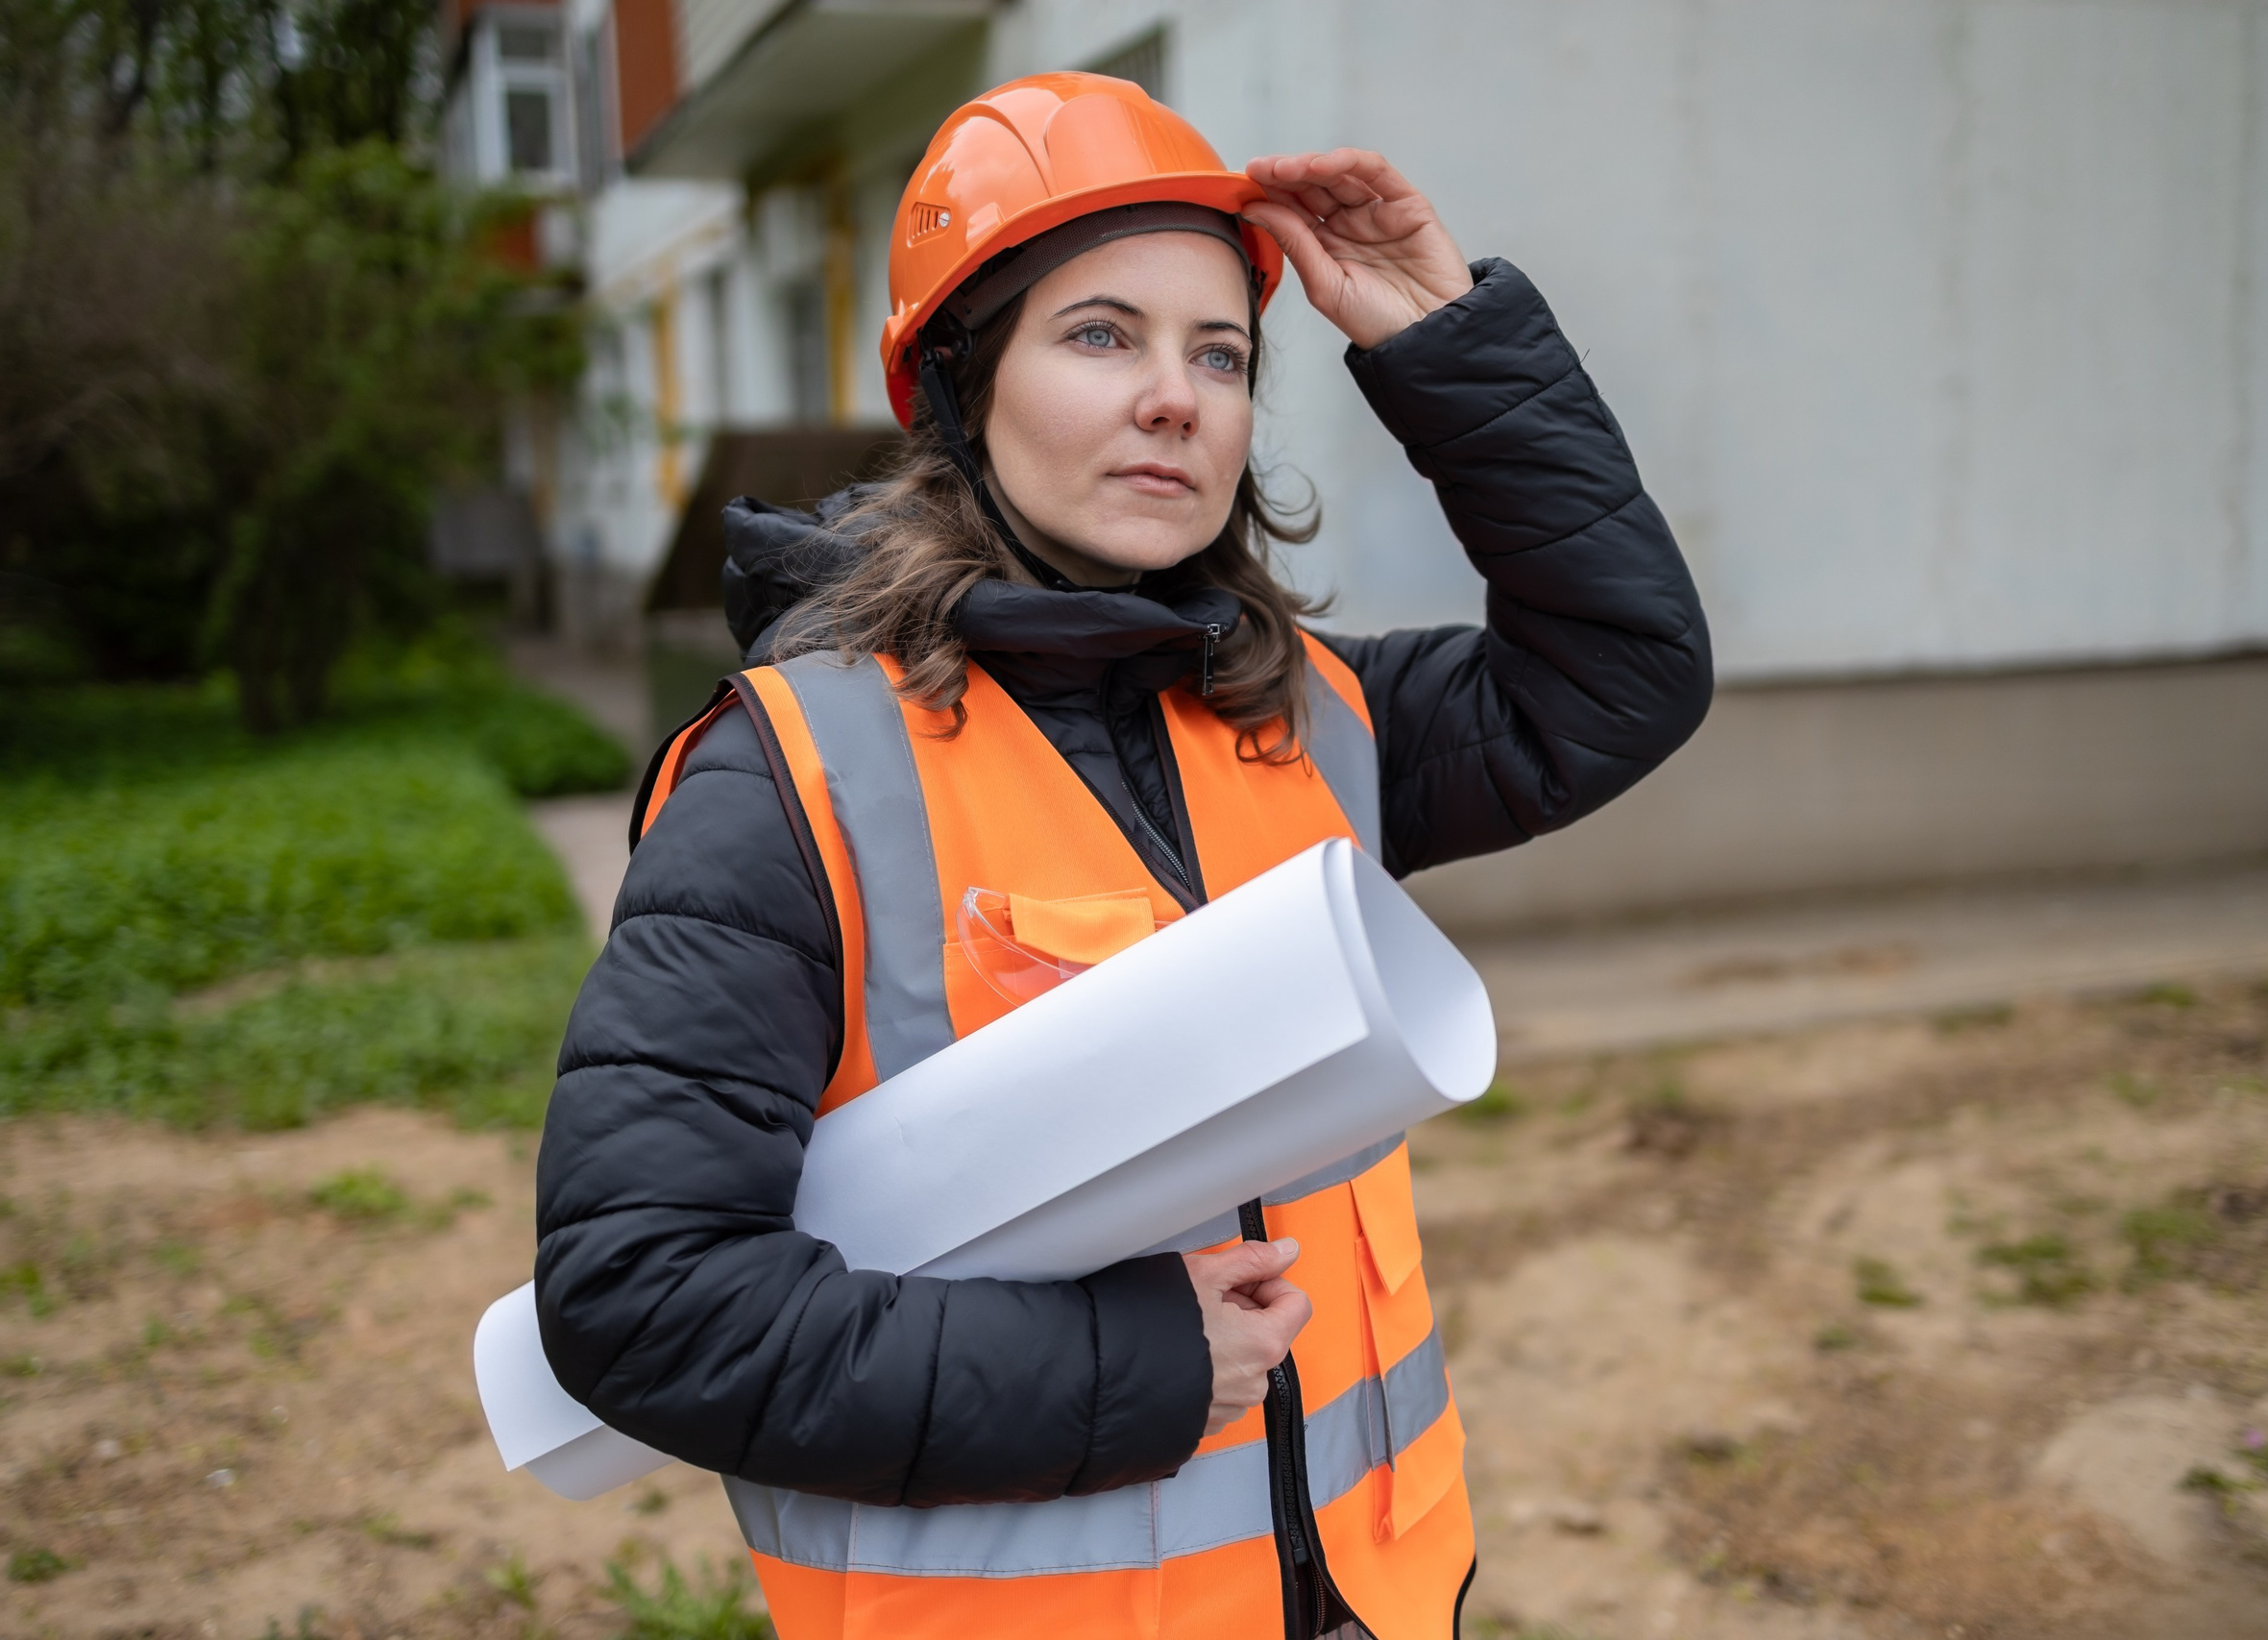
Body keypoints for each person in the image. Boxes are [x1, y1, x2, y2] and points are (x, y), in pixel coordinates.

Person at [535, 72, 1711, 1640]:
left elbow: (1622, 674)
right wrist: (1129, 1369)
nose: (1178, 397)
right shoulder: (790, 779)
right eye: (1103, 335)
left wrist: (1446, 340)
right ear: (961, 387)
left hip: (1373, 1600)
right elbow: (643, 1300)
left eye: (1219, 353)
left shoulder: (1311, 713)